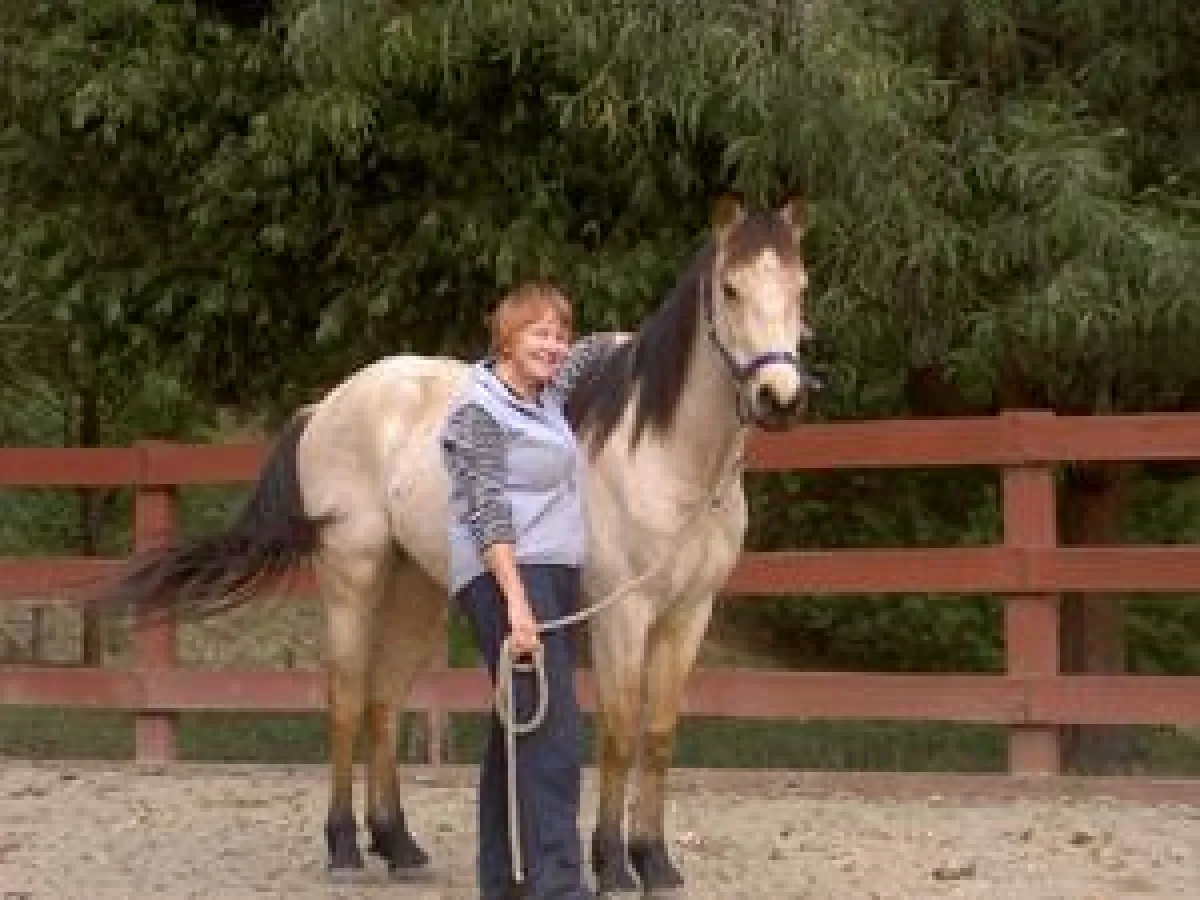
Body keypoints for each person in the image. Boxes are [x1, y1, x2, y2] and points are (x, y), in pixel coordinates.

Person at [440, 282, 609, 900]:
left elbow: (590, 353)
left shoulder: (543, 398)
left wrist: (649, 338)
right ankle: (558, 884)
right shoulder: (477, 411)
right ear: (505, 339)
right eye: (540, 333)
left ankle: (504, 878)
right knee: (551, 730)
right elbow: (487, 515)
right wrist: (517, 604)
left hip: (551, 574)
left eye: (559, 334)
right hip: (508, 574)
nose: (555, 346)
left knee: (516, 725)